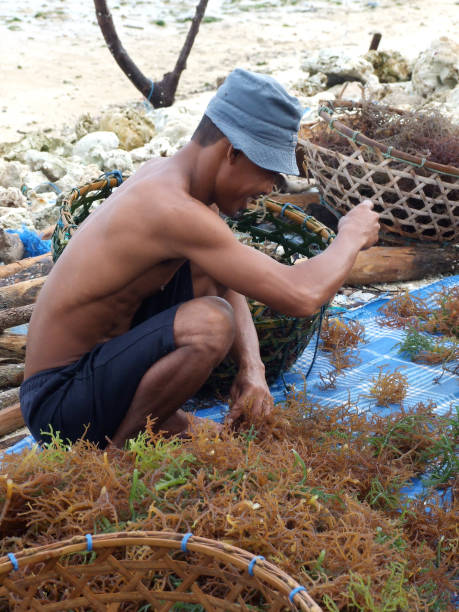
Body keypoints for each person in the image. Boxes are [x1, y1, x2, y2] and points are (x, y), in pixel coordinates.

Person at [20, 68, 380, 449]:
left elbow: (227, 278)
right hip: (58, 404)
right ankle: (117, 454)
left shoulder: (173, 181)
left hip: (96, 369)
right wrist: (350, 236)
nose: (267, 190)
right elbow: (303, 294)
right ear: (232, 152)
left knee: (210, 283)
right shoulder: (171, 210)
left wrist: (252, 369)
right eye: (269, 174)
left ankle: (147, 422)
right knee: (211, 322)